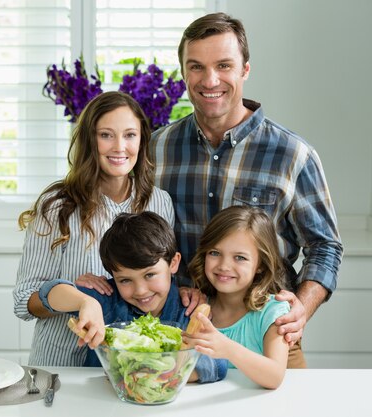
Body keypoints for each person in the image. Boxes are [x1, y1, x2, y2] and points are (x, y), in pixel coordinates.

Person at [150, 12, 343, 368]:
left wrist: (301, 305)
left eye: (224, 65)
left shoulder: (293, 155)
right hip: (179, 336)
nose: (210, 79)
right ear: (183, 72)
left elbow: (325, 246)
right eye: (196, 67)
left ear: (245, 70)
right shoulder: (155, 149)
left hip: (267, 339)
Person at [13, 91, 175, 366]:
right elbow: (24, 301)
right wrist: (76, 297)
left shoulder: (159, 201)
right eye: (106, 135)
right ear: (90, 140)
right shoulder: (56, 207)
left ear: (142, 140)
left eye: (130, 135)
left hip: (128, 367)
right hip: (62, 364)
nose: (119, 147)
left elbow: (162, 276)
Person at [38, 211, 227, 383]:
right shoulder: (107, 299)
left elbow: (219, 365)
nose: (141, 291)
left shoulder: (186, 313)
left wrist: (164, 374)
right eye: (125, 280)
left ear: (173, 263)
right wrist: (85, 302)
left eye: (150, 275)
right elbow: (48, 292)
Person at [184, 205, 290, 389]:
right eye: (215, 253)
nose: (224, 266)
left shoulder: (273, 312)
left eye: (240, 257)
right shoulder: (196, 307)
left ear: (261, 265)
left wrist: (226, 348)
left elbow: (275, 376)